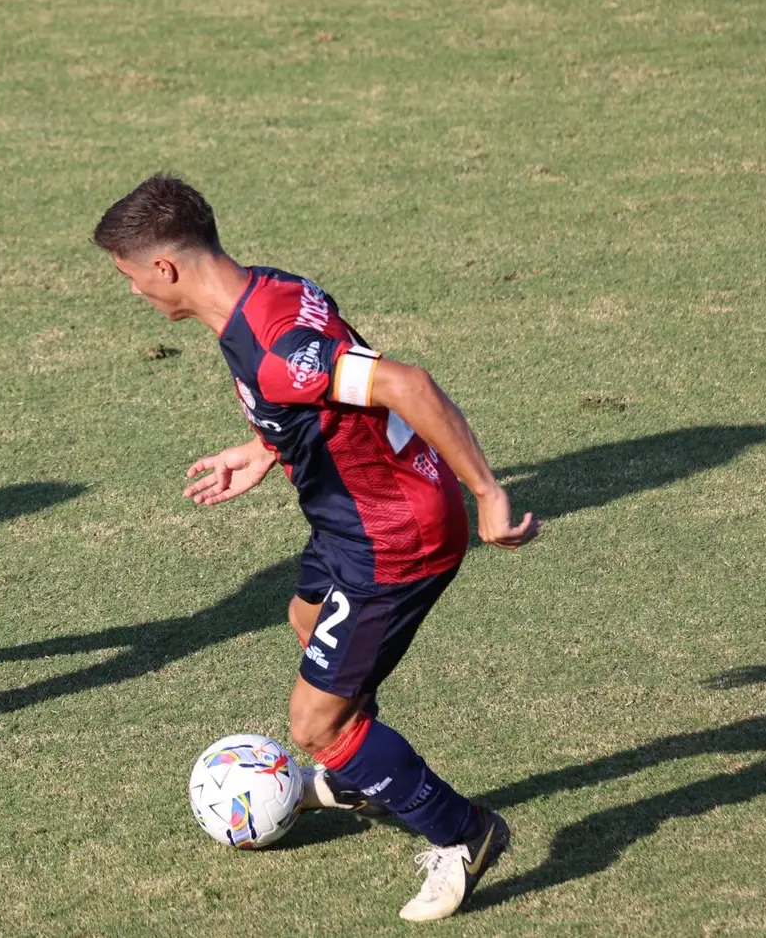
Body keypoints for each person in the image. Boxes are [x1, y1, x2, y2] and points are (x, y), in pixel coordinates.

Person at [92, 174, 540, 921]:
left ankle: (462, 832)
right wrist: (267, 445)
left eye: (128, 276)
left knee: (314, 724)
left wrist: (489, 493)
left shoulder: (274, 346)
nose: (133, 292)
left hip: (394, 533)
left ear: (163, 267)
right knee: (305, 619)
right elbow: (326, 393)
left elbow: (405, 383)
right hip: (349, 517)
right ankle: (367, 774)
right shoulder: (270, 288)